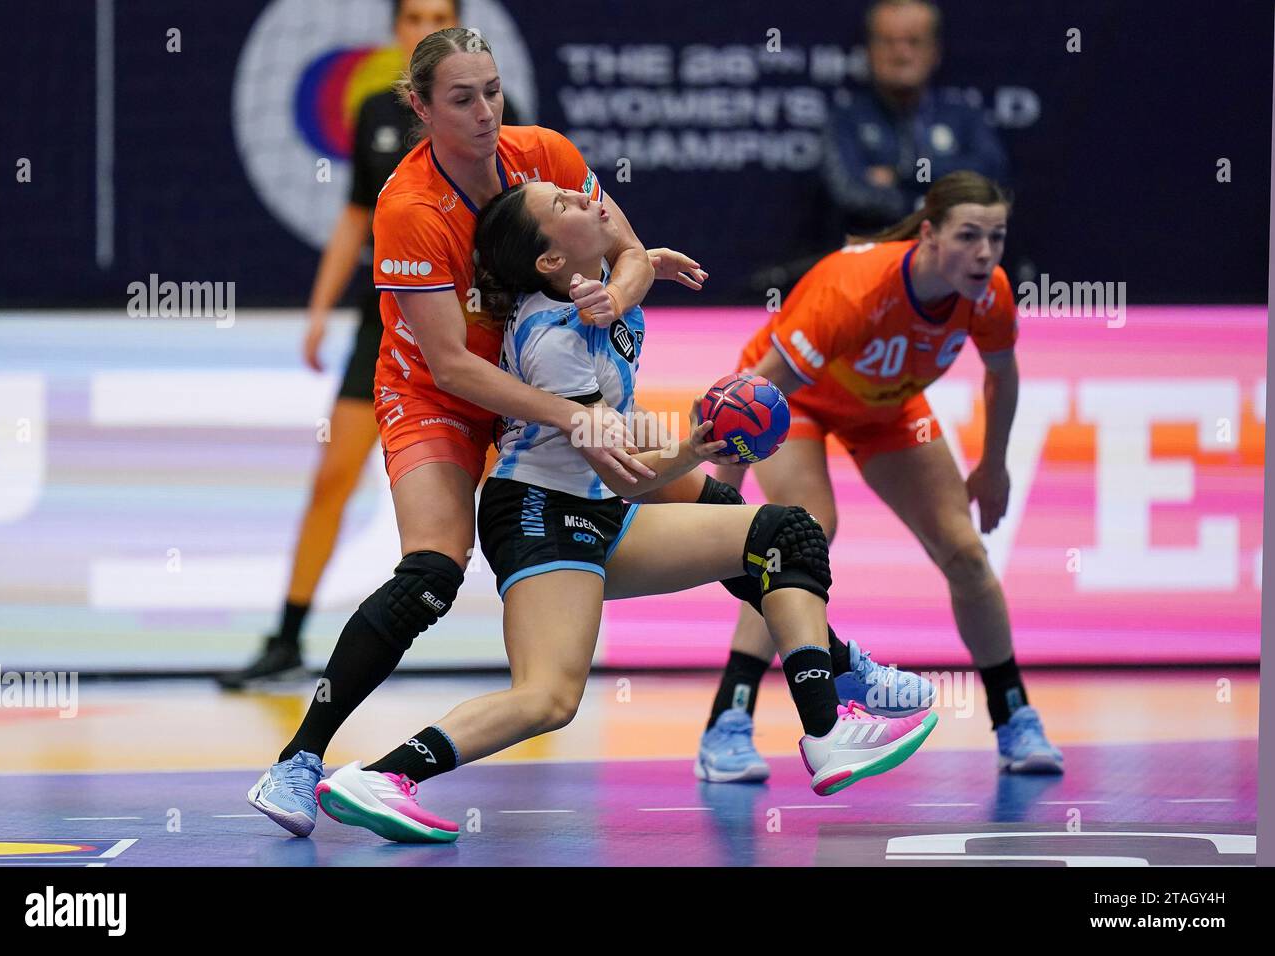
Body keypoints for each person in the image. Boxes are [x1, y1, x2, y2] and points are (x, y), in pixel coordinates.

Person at [308, 180, 938, 843]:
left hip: (596, 505)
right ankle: (384, 777)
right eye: (566, 207)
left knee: (784, 535)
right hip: (541, 514)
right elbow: (624, 469)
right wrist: (695, 446)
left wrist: (646, 268)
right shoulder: (554, 341)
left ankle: (828, 723)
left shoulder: (604, 290)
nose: (587, 199)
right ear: (551, 261)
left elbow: (630, 267)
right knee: (548, 699)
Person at [245, 26, 661, 836]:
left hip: (533, 381)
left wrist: (622, 293)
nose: (484, 112)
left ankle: (832, 679)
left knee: (704, 496)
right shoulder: (408, 206)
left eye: (493, 92)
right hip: (439, 393)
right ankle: (298, 762)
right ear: (421, 107)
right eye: (462, 99)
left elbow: (632, 250)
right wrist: (578, 415)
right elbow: (453, 366)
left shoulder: (543, 153)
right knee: (434, 570)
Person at [696, 170, 1064, 779]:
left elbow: (1003, 373)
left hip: (890, 411)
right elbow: (755, 395)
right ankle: (726, 723)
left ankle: (1014, 716)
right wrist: (719, 490)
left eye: (996, 238)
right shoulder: (854, 289)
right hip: (795, 404)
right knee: (804, 535)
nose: (984, 253)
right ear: (929, 235)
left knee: (967, 553)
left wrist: (993, 464)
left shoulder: (990, 292)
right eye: (968, 236)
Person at [219, 0, 519, 689]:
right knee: (333, 476)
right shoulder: (378, 117)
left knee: (513, 482)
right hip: (389, 320)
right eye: (412, 17)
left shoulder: (493, 111)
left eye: (437, 16)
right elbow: (357, 217)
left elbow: (522, 231)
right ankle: (287, 641)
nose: (423, 26)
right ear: (396, 33)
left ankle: (538, 640)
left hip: (479, 323)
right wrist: (319, 311)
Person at [821, 0, 1009, 234]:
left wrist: (902, 174)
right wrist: (930, 208)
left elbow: (989, 176)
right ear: (869, 50)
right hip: (874, 256)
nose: (901, 54)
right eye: (888, 42)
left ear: (935, 51)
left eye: (914, 41)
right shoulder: (845, 118)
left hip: (953, 262)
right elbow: (850, 193)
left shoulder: (964, 115)